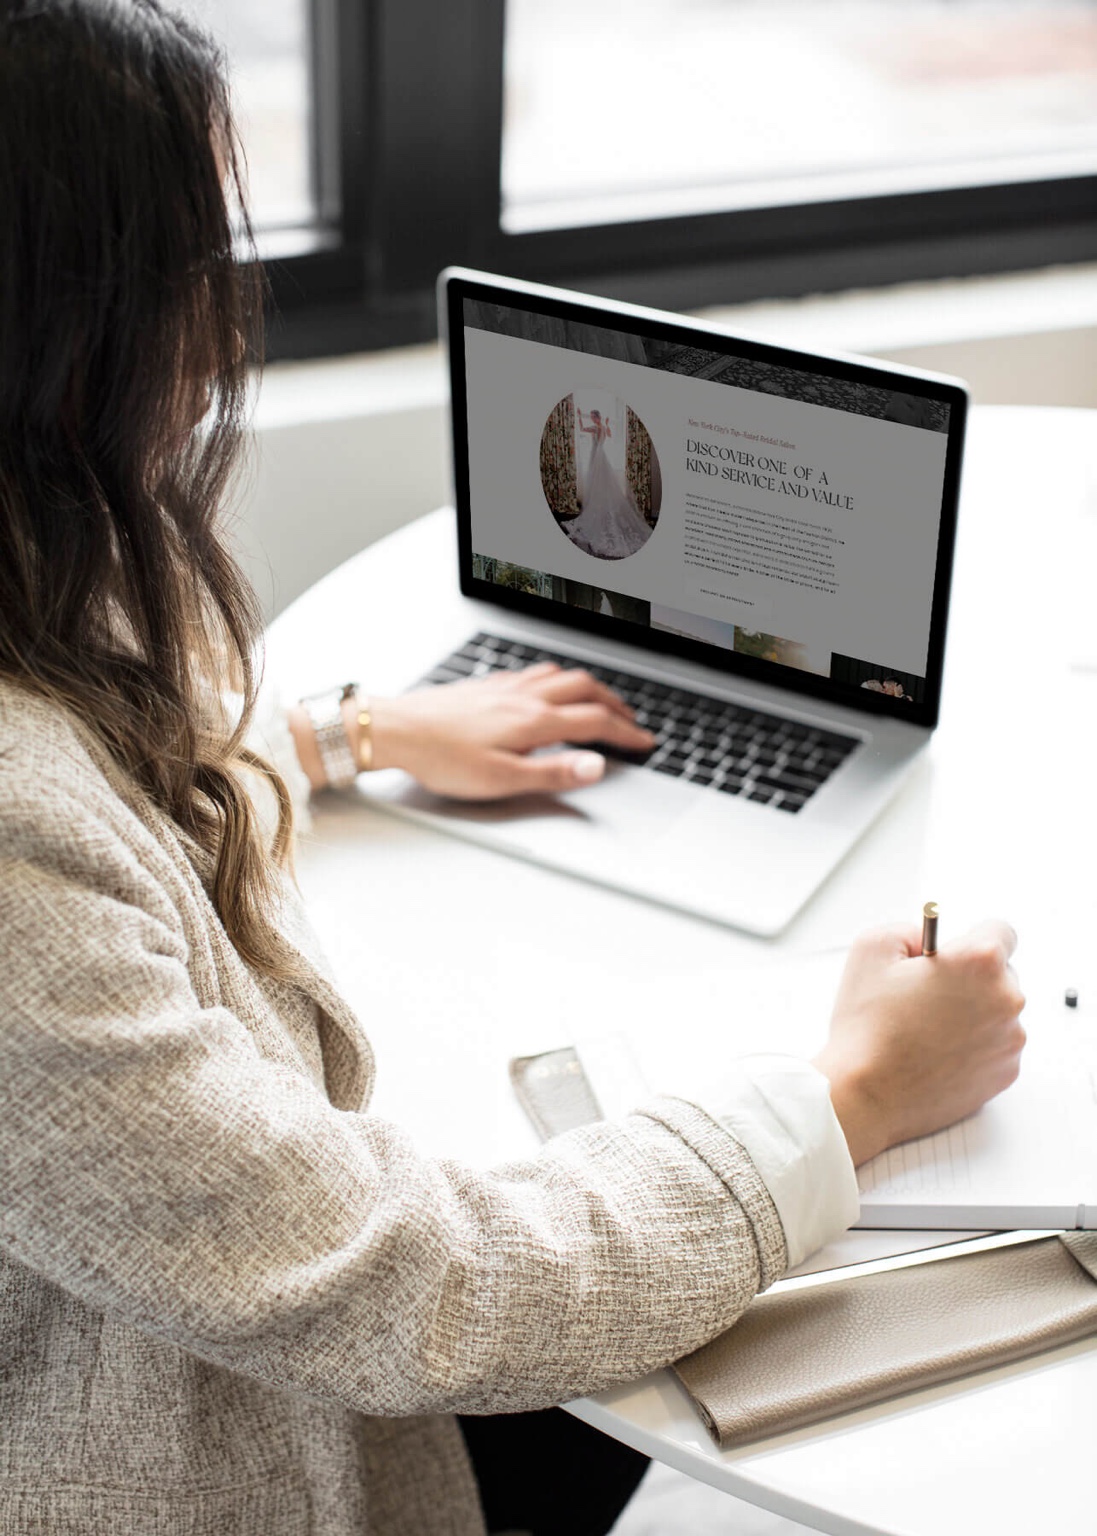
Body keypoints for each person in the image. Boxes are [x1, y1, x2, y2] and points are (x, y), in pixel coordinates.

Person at [0, 5, 1026, 1535]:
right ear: (72, 321)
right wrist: (857, 1094)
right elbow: (414, 1285)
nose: (230, 317)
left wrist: (348, 735)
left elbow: (84, 756)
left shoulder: (39, 564)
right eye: (201, 263)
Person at [567, 406, 652, 559]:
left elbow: (582, 429)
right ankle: (601, 507)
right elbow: (610, 436)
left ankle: (601, 509)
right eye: (592, 417)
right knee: (601, 484)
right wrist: (605, 424)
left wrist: (580, 417)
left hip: (597, 456)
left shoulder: (596, 427)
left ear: (595, 417)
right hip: (601, 455)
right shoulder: (603, 427)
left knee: (596, 483)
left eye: (593, 416)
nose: (592, 419)